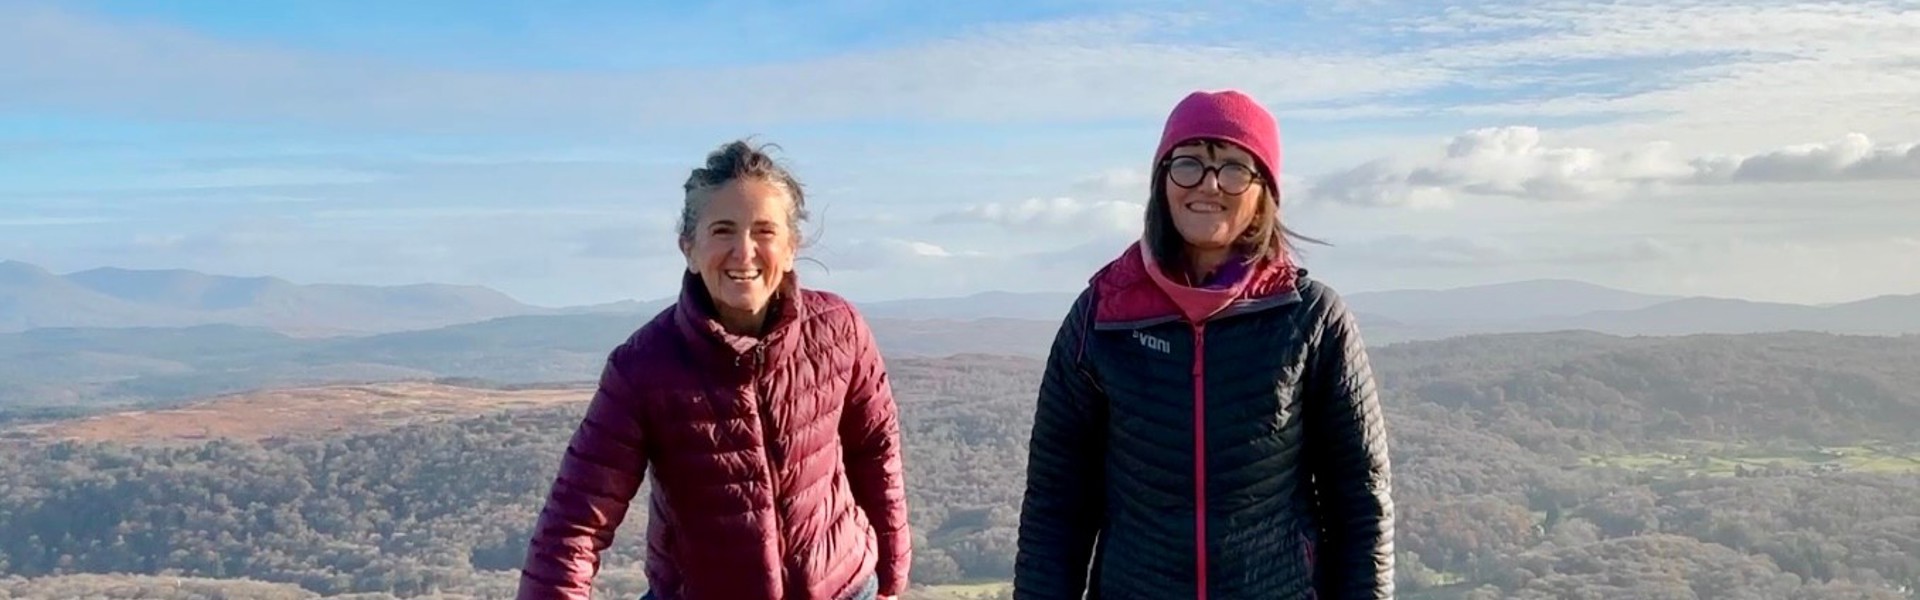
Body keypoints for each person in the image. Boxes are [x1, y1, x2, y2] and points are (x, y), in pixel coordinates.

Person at [1012, 90, 1396, 599]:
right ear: (1162, 181)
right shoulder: (1102, 318)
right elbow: (1055, 506)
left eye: (1235, 167)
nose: (1209, 185)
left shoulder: (1311, 318)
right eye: (1189, 163)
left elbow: (1360, 503)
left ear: (1264, 191)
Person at [517, 139, 911, 600]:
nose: (744, 252)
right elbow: (576, 521)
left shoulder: (839, 330)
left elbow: (875, 451)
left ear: (790, 248)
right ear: (689, 247)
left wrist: (891, 575)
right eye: (723, 230)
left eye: (764, 231)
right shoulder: (643, 366)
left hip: (844, 588)